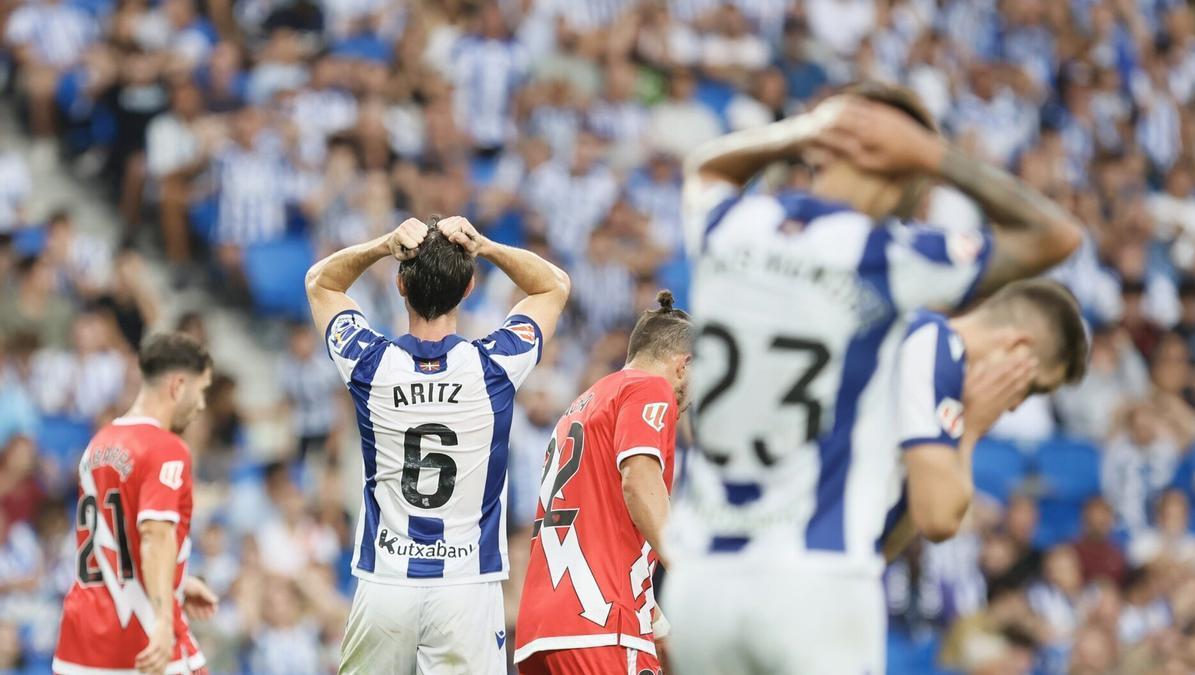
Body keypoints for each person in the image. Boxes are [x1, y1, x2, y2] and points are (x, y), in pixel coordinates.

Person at [665, 81, 1084, 674]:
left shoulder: (735, 226)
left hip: (701, 581)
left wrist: (801, 132)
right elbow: (1055, 236)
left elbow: (706, 169)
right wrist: (939, 156)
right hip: (816, 585)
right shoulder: (888, 257)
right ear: (911, 174)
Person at [304, 214, 569, 674]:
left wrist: (384, 245)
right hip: (466, 587)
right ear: (468, 290)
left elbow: (320, 283)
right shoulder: (496, 367)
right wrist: (484, 246)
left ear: (400, 287)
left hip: (386, 582)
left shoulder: (369, 363)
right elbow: (553, 286)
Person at [514, 290, 691, 675]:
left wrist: (658, 627)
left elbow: (607, 538)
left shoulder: (583, 404)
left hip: (544, 630)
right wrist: (687, 564)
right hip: (603, 625)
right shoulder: (649, 389)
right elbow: (638, 480)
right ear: (683, 364)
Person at [52, 333, 218, 675]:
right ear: (178, 386)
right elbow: (154, 535)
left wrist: (178, 582)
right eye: (201, 391)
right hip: (142, 639)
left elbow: (112, 541)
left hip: (81, 645)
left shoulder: (98, 445)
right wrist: (161, 620)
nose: (202, 405)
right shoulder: (166, 448)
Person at [882, 280, 1089, 554]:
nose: (1015, 405)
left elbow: (885, 546)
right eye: (1030, 388)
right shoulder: (933, 346)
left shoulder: (932, 352)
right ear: (1018, 346)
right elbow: (938, 521)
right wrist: (969, 433)